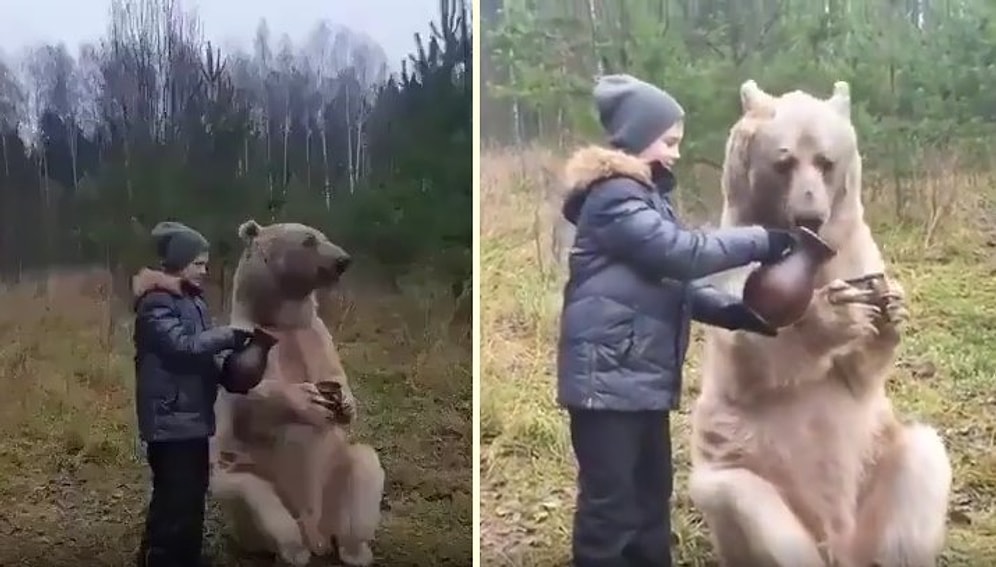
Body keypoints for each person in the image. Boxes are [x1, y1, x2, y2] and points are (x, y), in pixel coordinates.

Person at [556, 74, 798, 567]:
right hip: (607, 382)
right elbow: (681, 254)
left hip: (638, 377)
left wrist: (737, 313)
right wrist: (762, 240)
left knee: (651, 499)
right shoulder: (615, 196)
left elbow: (670, 285)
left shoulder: (645, 198)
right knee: (610, 509)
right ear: (637, 135)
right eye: (669, 141)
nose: (678, 153)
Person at [131, 221, 252, 567]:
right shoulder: (156, 302)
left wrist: (228, 370)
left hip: (192, 418)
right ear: (179, 261)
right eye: (198, 263)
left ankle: (181, 556)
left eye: (205, 263)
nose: (204, 270)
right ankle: (165, 559)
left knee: (189, 496)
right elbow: (182, 346)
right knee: (176, 499)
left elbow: (200, 354)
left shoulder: (191, 300)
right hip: (170, 421)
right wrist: (229, 335)